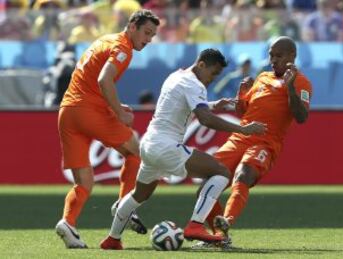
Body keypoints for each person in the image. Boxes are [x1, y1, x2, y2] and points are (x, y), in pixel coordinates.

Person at [99, 48, 267, 250]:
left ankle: (112, 239)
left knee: (139, 194)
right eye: (213, 73)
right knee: (220, 172)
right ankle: (195, 226)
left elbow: (182, 104)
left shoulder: (176, 75)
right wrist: (242, 129)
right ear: (202, 65)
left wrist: (213, 104)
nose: (213, 79)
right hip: (165, 146)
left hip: (149, 144)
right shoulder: (195, 84)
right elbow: (204, 119)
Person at [55, 9, 160, 249]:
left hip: (68, 111)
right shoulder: (123, 48)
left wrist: (111, 105)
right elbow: (104, 79)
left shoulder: (104, 39)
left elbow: (90, 80)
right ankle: (124, 204)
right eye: (146, 33)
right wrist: (120, 113)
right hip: (88, 111)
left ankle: (68, 222)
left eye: (152, 35)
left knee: (84, 182)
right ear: (132, 26)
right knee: (136, 152)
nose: (148, 39)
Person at [201, 36, 313, 248]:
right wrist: (241, 94)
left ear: (292, 56)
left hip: (265, 143)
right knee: (209, 181)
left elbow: (301, 117)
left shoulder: (302, 82)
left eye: (278, 56)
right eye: (271, 55)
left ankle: (227, 221)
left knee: (244, 173)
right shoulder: (262, 77)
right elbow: (243, 111)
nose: (273, 59)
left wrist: (290, 88)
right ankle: (218, 237)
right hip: (240, 137)